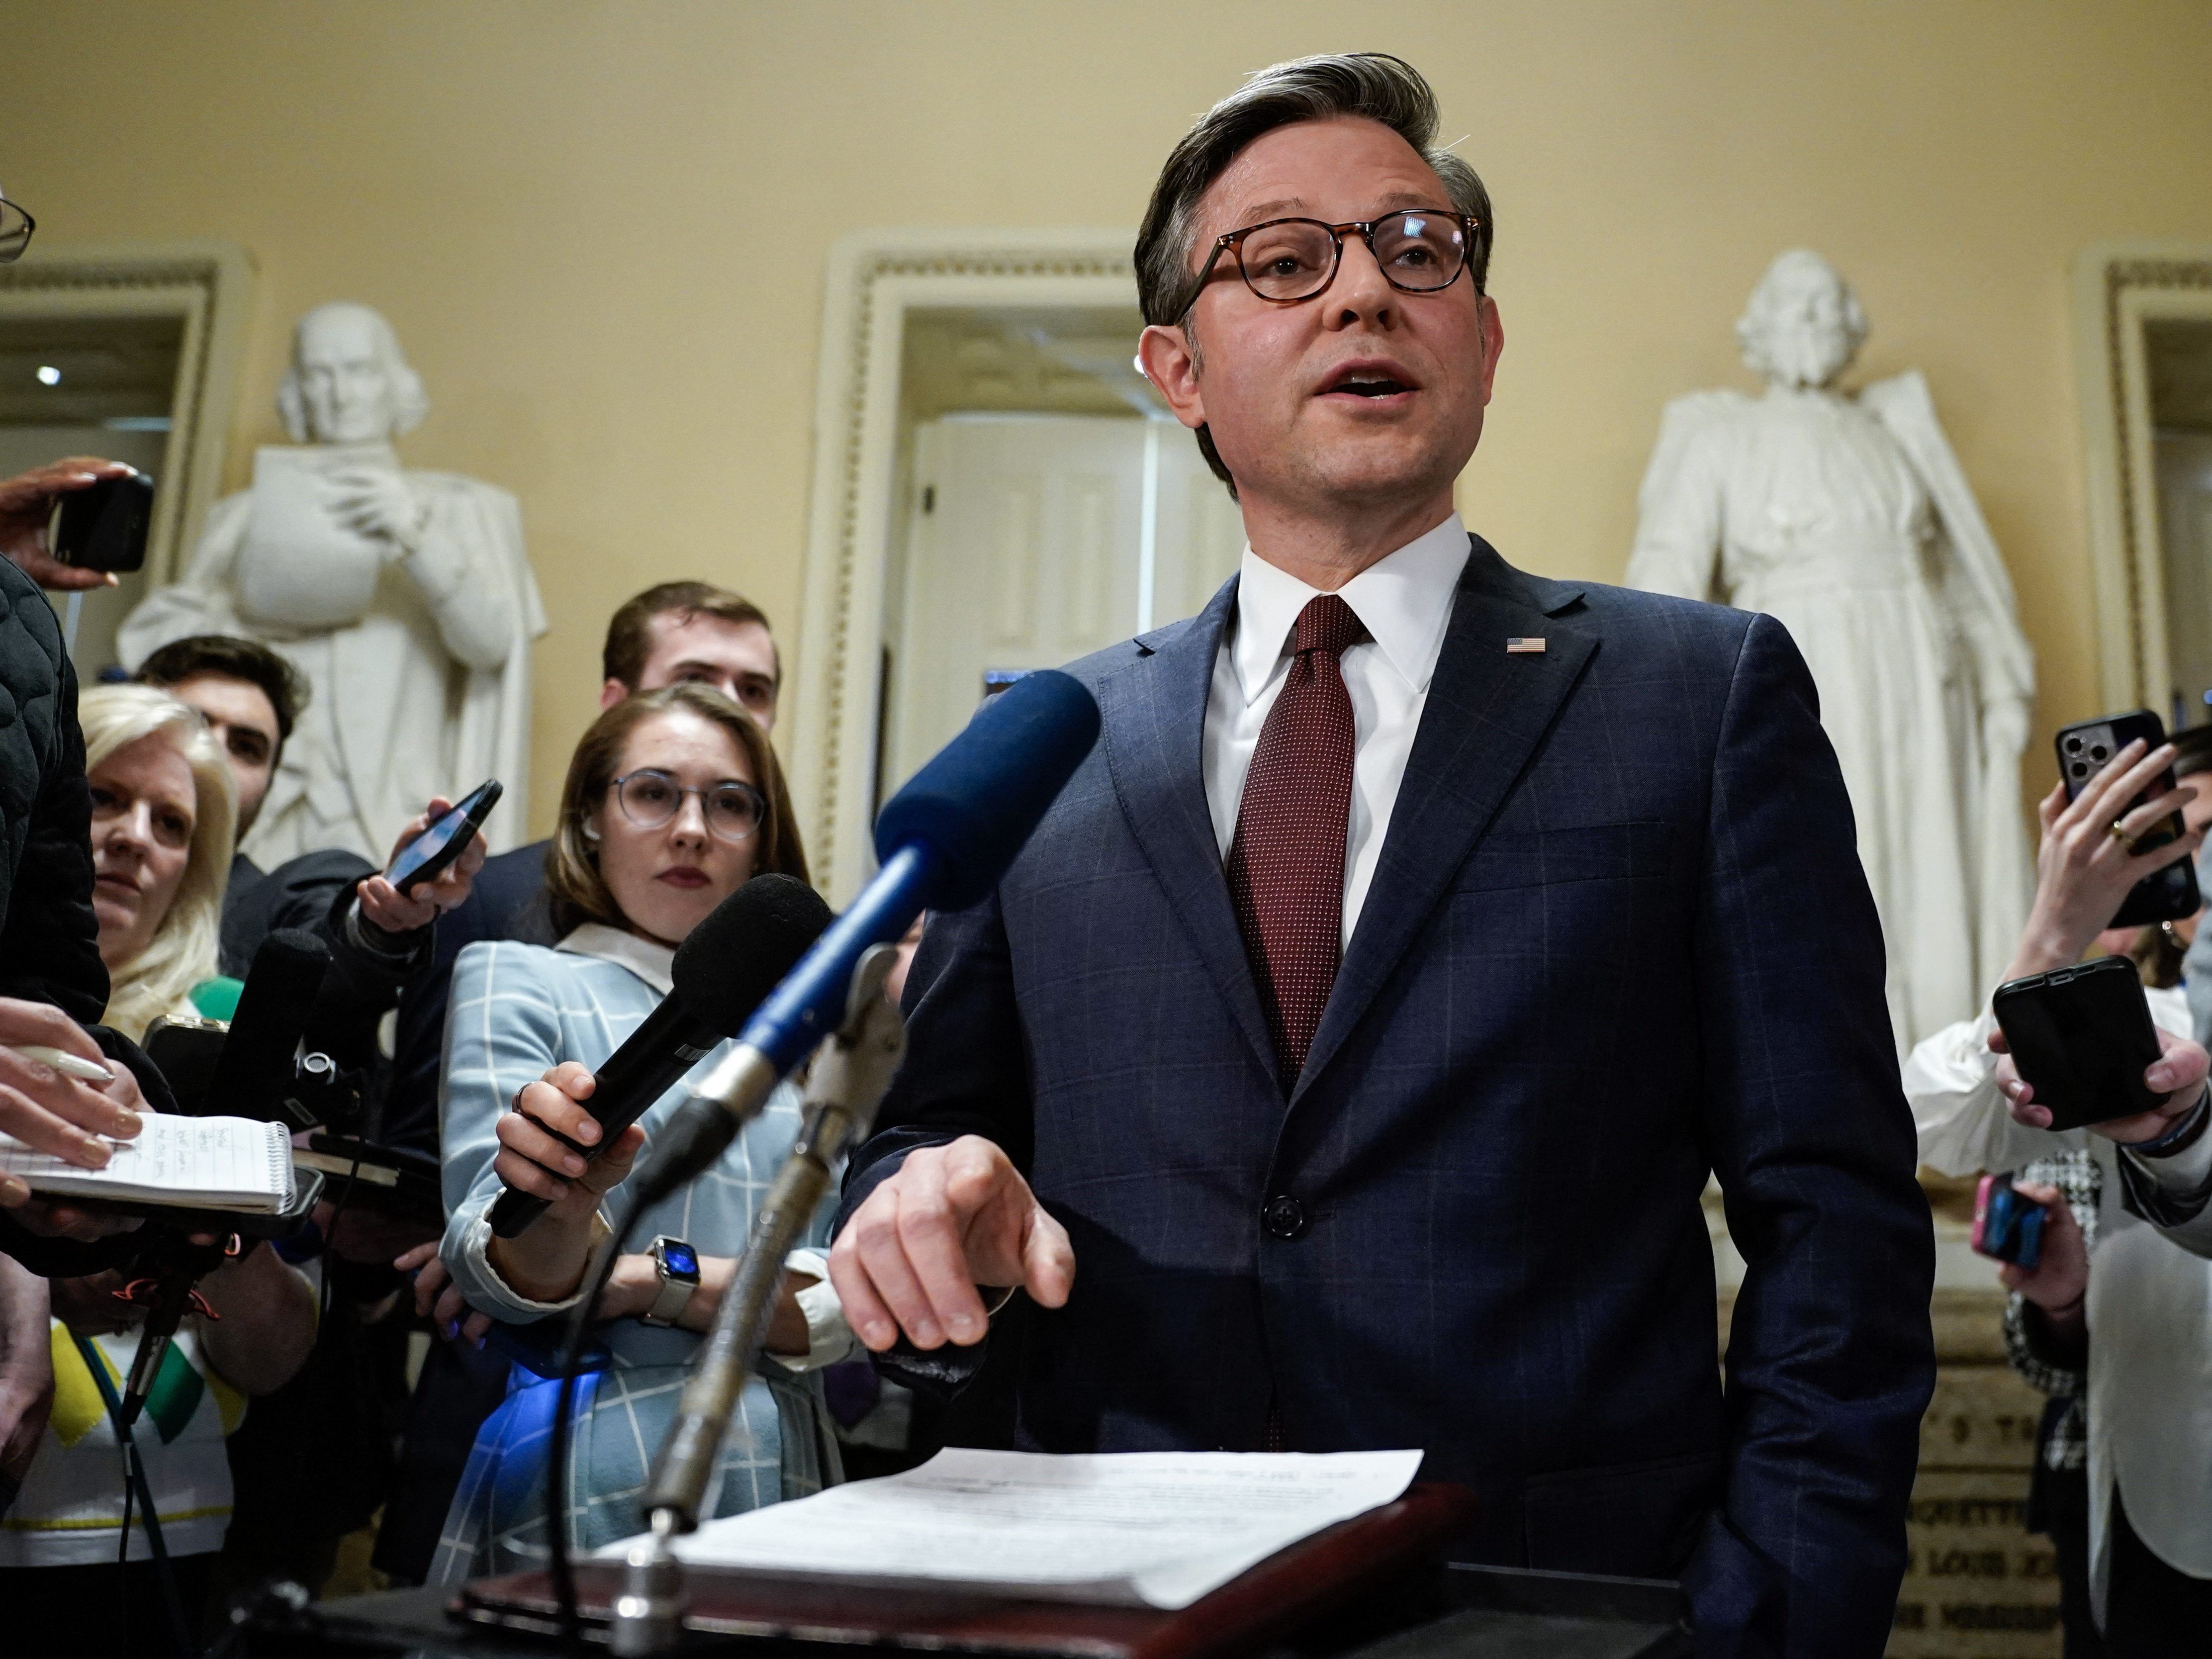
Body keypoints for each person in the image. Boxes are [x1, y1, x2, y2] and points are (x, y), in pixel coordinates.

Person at [828, 53, 1935, 1658]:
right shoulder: (1046, 738)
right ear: (1175, 367)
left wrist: (1775, 1612)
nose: (1361, 293)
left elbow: (1830, 1212)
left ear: (1480, 339)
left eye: (1415, 251)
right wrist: (923, 1197)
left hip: (1561, 1598)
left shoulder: (1696, 697)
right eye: (1283, 261)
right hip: (1104, 1593)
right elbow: (923, 1136)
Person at [370, 579, 787, 1583]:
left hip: (778, 1459)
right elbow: (490, 1243)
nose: (692, 827)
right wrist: (560, 1241)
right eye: (653, 792)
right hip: (567, 1436)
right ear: (594, 811)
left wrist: (644, 1278)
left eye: (729, 803)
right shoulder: (509, 954)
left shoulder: (805, 1012)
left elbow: (841, 1307)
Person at [0, 681, 319, 1657]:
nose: (136, 837)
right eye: (102, 798)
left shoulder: (235, 1033)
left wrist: (207, 1229)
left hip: (168, 1554)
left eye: (172, 822)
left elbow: (273, 1355)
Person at [1910, 737, 2212, 1655]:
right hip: (2163, 1499)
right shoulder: (2140, 1027)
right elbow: (1931, 1119)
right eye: (2183, 835)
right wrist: (2051, 930)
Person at [119, 301, 547, 868]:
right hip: (261, 806)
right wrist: (241, 610)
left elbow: (493, 643)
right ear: (297, 393)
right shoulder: (241, 518)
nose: (341, 394)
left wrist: (414, 537)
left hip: (390, 811)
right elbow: (153, 653)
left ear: (394, 385)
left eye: (359, 371)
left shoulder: (458, 509)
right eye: (320, 375)